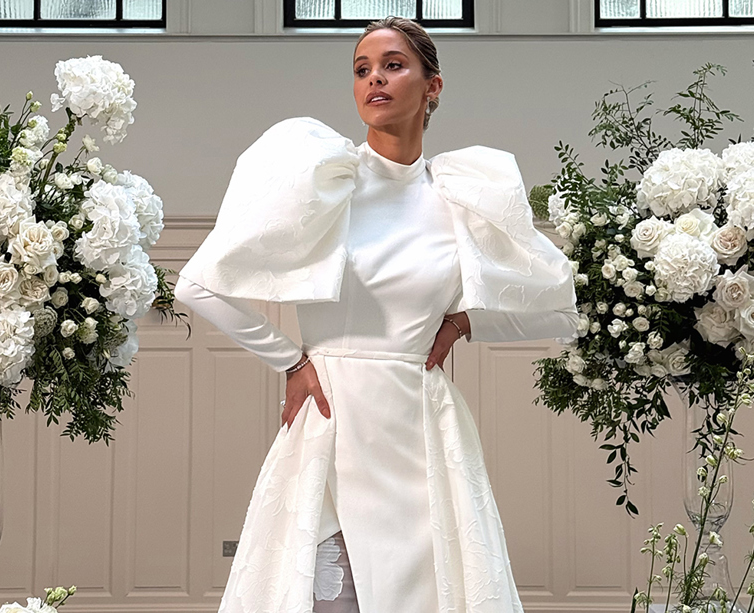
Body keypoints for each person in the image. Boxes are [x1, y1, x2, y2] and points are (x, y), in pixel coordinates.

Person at [174, 16, 578, 613]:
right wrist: (291, 361)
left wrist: (467, 322)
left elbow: (561, 312)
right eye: (362, 70)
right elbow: (196, 287)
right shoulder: (325, 182)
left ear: (432, 86)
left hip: (422, 429)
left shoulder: (458, 196)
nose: (374, 80)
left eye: (393, 65)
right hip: (332, 419)